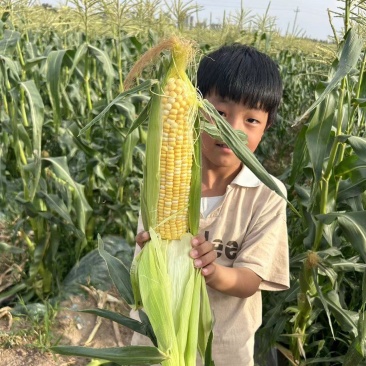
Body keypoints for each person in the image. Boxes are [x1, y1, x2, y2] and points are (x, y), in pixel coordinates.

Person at [131, 43, 289, 366]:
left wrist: (212, 271)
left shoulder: (268, 194)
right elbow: (142, 271)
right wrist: (151, 249)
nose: (232, 130)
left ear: (267, 126)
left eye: (251, 120)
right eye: (219, 112)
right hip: (157, 344)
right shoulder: (161, 181)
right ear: (194, 108)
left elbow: (252, 279)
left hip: (225, 351)